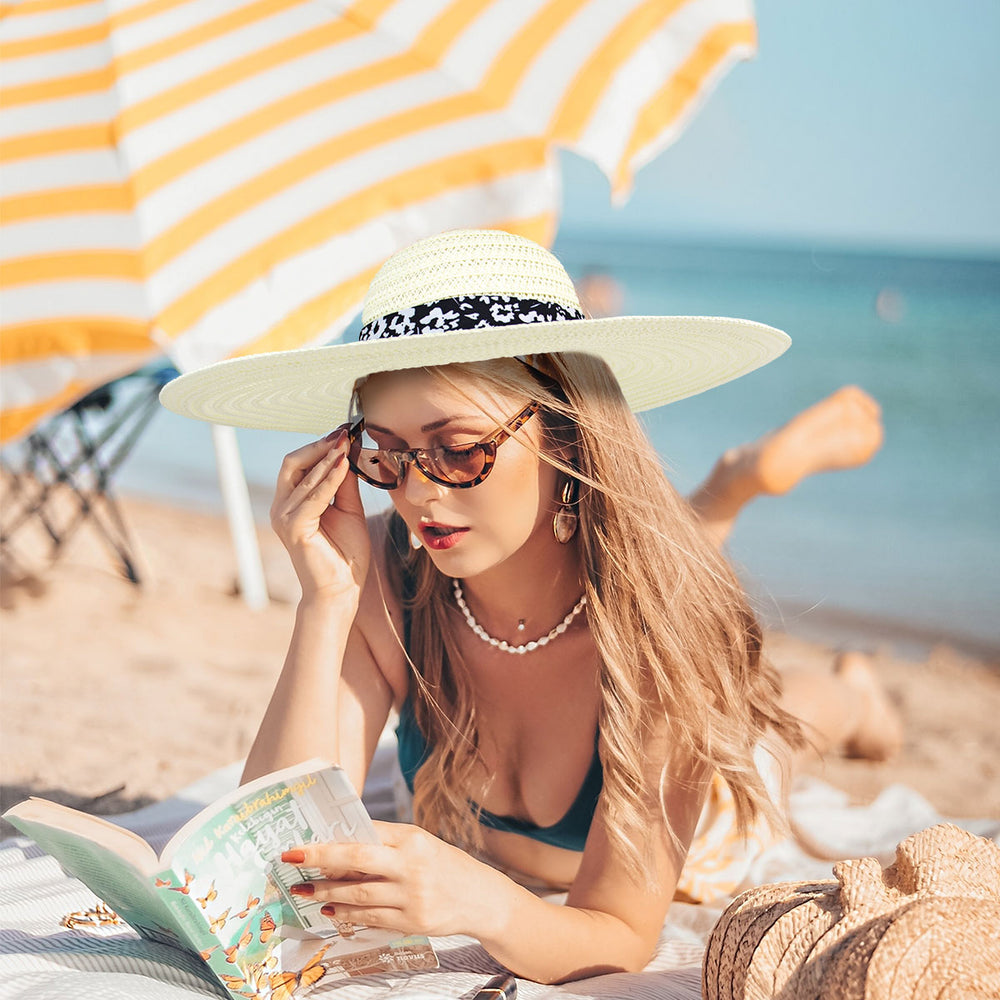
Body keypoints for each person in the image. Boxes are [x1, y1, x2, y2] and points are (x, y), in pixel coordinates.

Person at [159, 229, 884, 983]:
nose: (415, 493)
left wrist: (482, 902)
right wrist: (325, 598)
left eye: (459, 449)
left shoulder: (664, 648)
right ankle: (717, 501)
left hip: (706, 825)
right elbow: (266, 855)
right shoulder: (385, 579)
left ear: (567, 436)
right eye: (384, 453)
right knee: (657, 571)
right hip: (601, 568)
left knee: (779, 727)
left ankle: (854, 684)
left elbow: (620, 934)